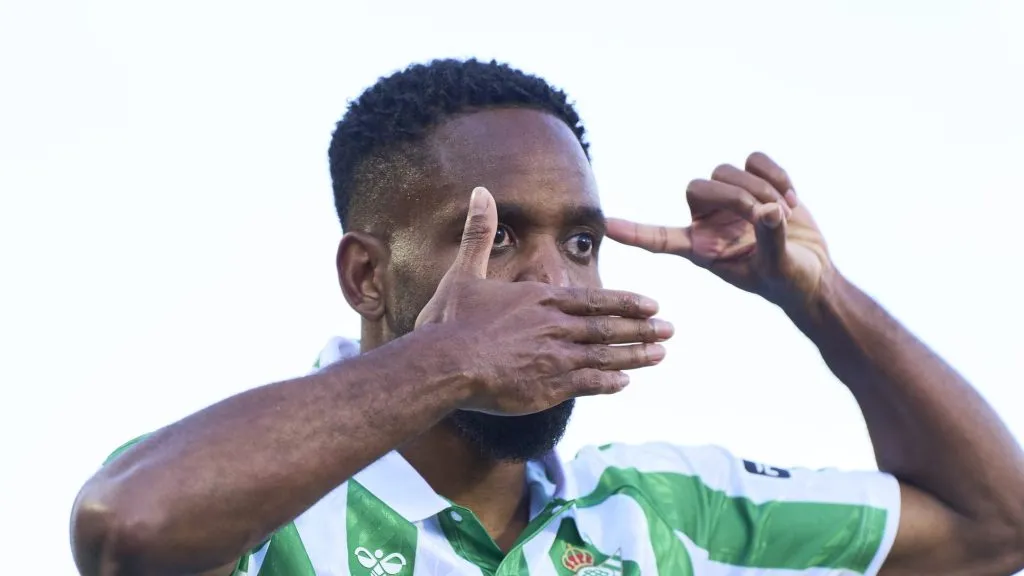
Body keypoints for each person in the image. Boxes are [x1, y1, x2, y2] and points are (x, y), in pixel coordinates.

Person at [70, 59, 1024, 576]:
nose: (554, 283)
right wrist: (451, 359)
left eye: (577, 242)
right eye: (494, 238)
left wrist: (825, 301)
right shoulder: (256, 500)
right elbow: (129, 532)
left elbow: (996, 531)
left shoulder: (657, 508)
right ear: (367, 277)